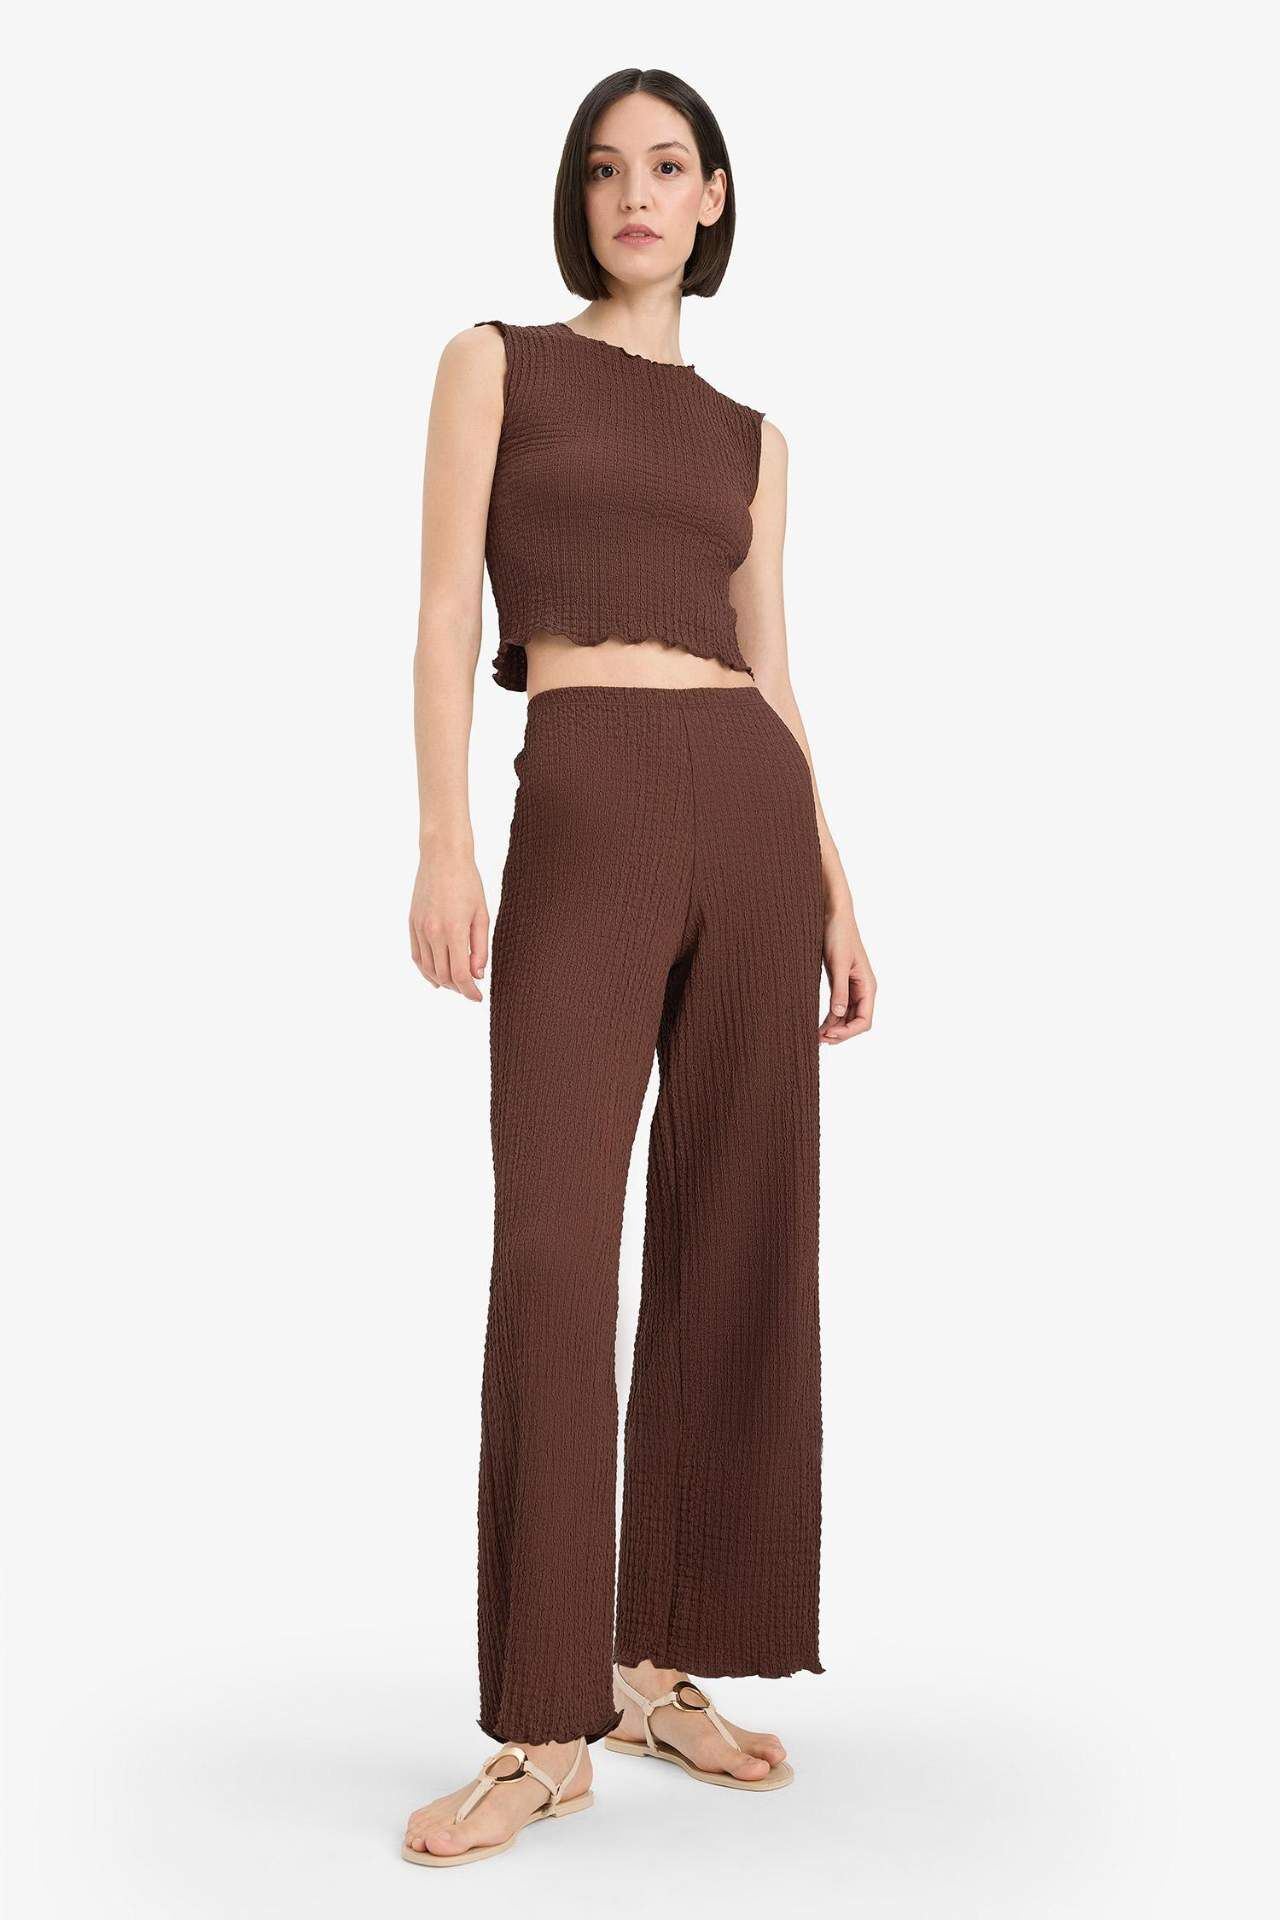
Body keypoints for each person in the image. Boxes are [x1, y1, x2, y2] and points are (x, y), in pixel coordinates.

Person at [402, 66, 876, 1869]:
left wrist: (836, 889)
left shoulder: (755, 440)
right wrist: (448, 841)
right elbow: (445, 612)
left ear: (716, 196)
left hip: (748, 811)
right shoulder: (496, 363)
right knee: (552, 1245)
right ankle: (543, 1726)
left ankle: (654, 1663)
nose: (637, 195)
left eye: (670, 167)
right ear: (580, 197)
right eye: (608, 168)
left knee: (736, 1228)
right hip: (586, 800)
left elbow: (774, 670)